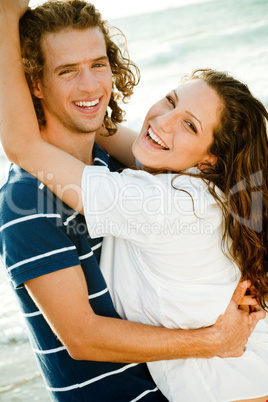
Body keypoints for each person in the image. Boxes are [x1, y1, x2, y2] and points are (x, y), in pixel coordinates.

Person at [0, 0, 265, 401]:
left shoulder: (149, 185)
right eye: (67, 71)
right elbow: (83, 338)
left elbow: (39, 136)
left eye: (100, 64)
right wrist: (214, 339)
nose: (90, 85)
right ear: (34, 82)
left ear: (211, 159)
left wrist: (6, 16)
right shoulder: (31, 198)